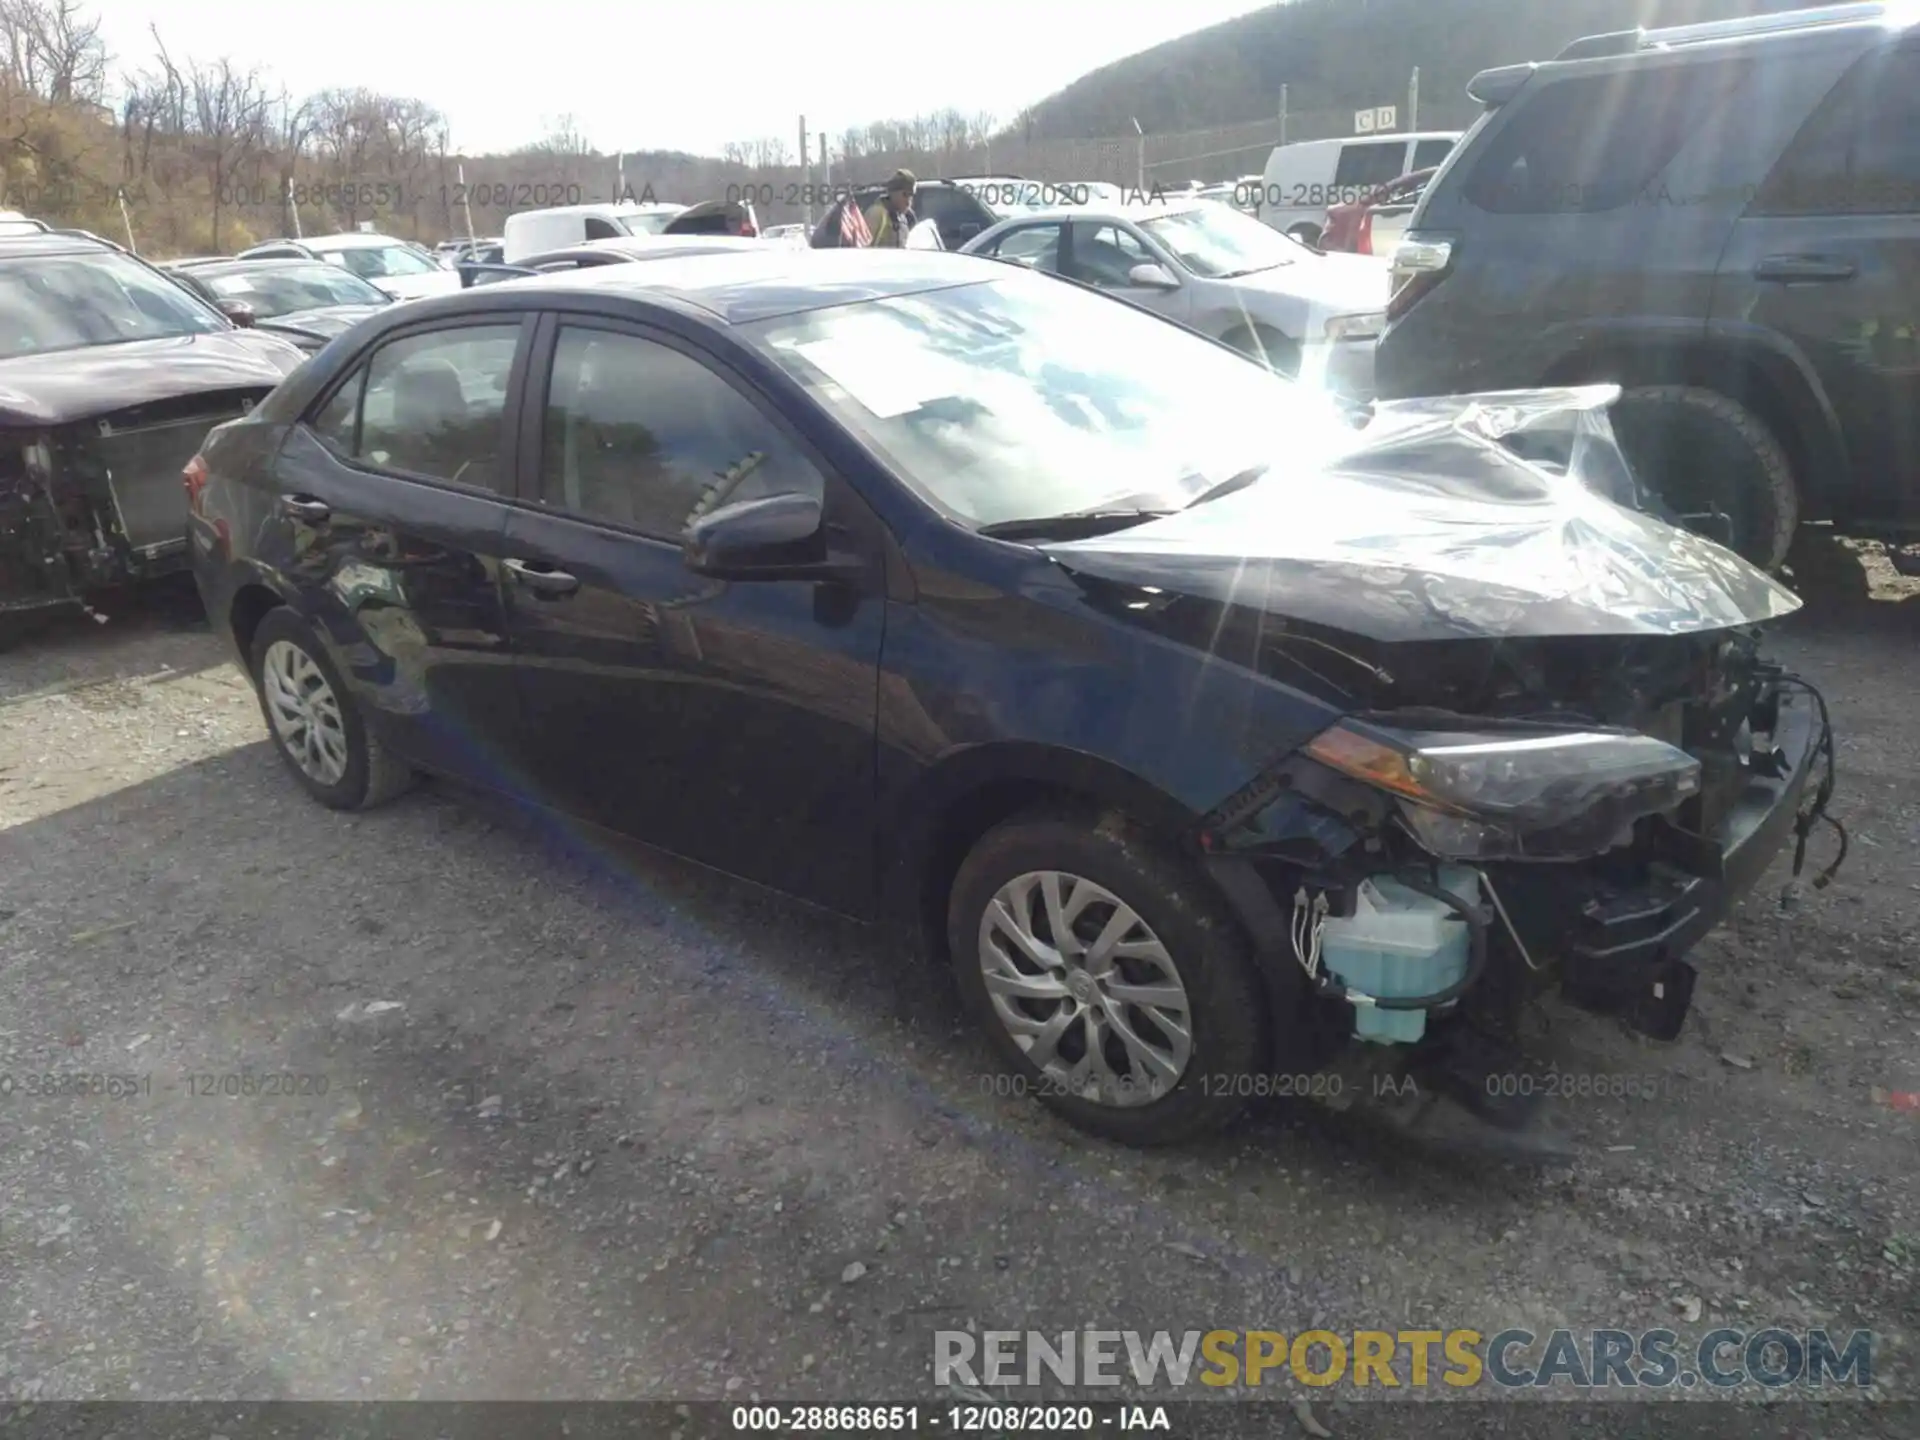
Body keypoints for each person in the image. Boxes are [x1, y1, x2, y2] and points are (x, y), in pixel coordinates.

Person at [864, 170, 918, 248]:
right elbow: (862, 249)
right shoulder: (877, 214)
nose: (908, 201)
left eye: (911, 196)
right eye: (905, 195)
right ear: (893, 193)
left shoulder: (906, 217)